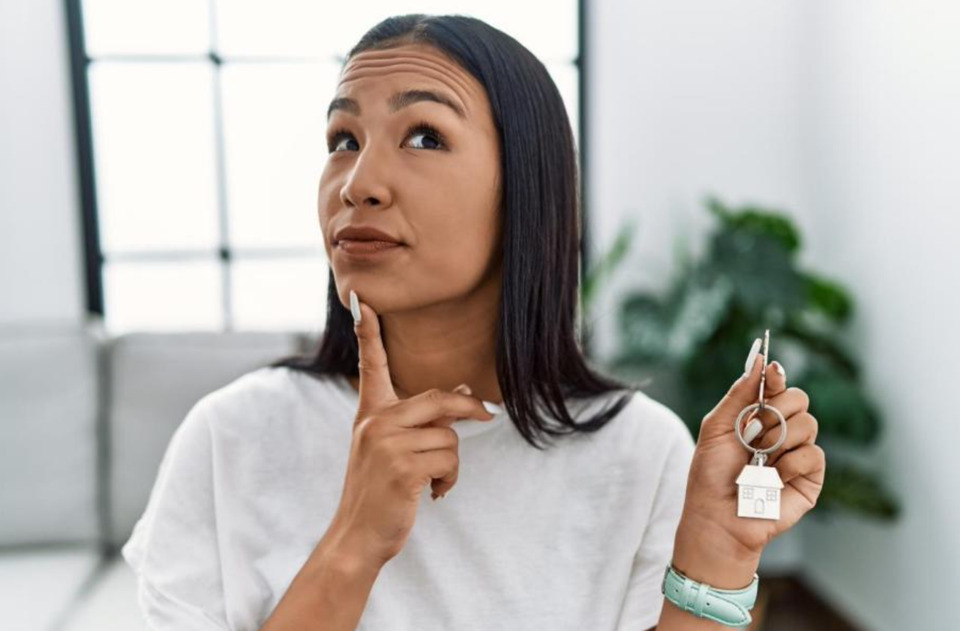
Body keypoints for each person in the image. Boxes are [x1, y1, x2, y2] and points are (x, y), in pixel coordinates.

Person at [121, 13, 825, 631]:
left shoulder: (642, 453)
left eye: (423, 136)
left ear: (526, 189)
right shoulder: (231, 437)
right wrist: (355, 539)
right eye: (342, 137)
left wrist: (718, 554)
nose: (357, 181)